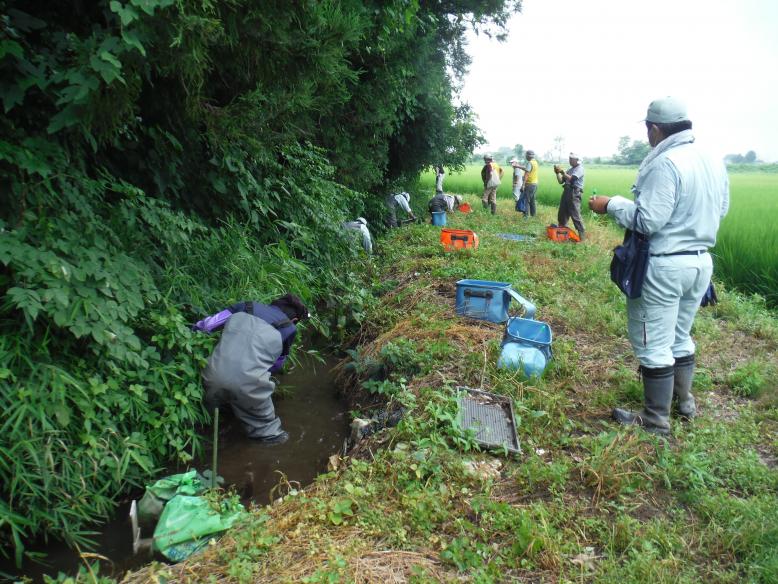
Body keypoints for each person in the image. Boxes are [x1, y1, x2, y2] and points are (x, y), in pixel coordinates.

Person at [588, 96, 729, 435]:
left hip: (665, 265)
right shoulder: (712, 160)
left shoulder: (667, 163)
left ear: (654, 129)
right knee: (680, 335)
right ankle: (684, 403)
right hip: (700, 263)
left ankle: (655, 420)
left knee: (653, 340)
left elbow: (648, 220)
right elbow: (721, 210)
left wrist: (611, 205)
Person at [198, 294, 310, 443]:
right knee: (272, 435)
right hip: (249, 386)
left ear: (272, 304)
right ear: (295, 320)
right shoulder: (289, 329)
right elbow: (276, 365)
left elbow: (206, 326)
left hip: (211, 376)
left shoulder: (245, 306)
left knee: (211, 415)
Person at [554, 152, 586, 240]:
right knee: (562, 213)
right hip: (566, 191)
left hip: (574, 192)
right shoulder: (570, 169)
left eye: (571, 159)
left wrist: (562, 171)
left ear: (577, 160)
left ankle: (582, 237)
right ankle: (562, 235)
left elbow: (572, 179)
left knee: (575, 214)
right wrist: (557, 173)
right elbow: (561, 181)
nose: (570, 160)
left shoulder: (580, 169)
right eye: (569, 158)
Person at [516, 150, 538, 217]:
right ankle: (533, 215)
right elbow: (526, 169)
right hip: (535, 184)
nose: (525, 156)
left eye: (526, 155)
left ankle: (526, 216)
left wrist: (523, 185)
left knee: (526, 200)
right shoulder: (535, 162)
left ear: (528, 156)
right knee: (532, 201)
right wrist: (518, 166)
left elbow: (526, 174)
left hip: (529, 184)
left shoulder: (529, 163)